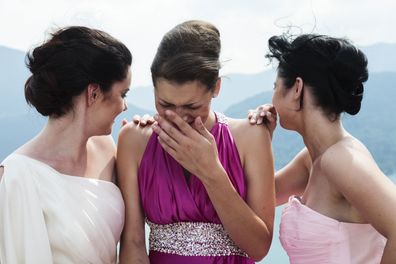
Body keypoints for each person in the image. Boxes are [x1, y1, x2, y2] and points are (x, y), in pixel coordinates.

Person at [117, 20, 275, 264]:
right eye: (166, 104)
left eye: (192, 106)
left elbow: (259, 248)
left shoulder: (251, 136)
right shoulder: (134, 140)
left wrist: (211, 171)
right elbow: (133, 243)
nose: (178, 117)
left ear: (216, 88)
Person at [249, 34, 396, 263]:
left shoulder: (340, 159)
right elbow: (258, 195)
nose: (273, 96)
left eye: (276, 86)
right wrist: (260, 138)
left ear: (297, 88)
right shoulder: (312, 159)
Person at [0, 26, 132, 263]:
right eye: (123, 93)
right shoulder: (18, 176)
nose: (125, 106)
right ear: (93, 93)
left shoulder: (106, 148)